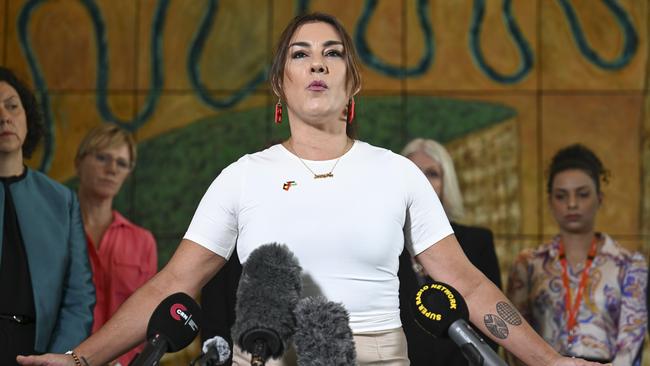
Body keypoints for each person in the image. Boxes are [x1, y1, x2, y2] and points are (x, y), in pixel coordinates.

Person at [18, 13, 608, 366]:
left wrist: (550, 359)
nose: (317, 63)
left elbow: (467, 281)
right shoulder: (241, 176)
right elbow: (175, 284)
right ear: (282, 84)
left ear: (353, 81)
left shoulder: (396, 173)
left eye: (333, 54)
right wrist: (80, 357)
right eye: (301, 55)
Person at [506, 144, 648, 365]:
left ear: (600, 198)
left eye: (582, 194)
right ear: (550, 202)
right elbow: (513, 334)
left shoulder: (629, 264)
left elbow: (632, 341)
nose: (572, 204)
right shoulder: (529, 263)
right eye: (561, 196)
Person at [0, 67, 95, 364]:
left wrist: (57, 356)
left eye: (12, 106)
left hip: (40, 354)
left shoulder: (61, 200)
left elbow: (79, 297)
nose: (4, 117)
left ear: (27, 116)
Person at [398, 138, 502, 366]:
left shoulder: (477, 242)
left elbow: (492, 322)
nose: (422, 181)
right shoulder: (385, 245)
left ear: (447, 183)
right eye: (413, 173)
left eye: (432, 174)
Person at [75, 125, 158, 365]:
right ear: (78, 163)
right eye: (102, 158)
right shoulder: (55, 233)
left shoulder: (142, 241)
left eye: (121, 163)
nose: (111, 169)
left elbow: (146, 315)